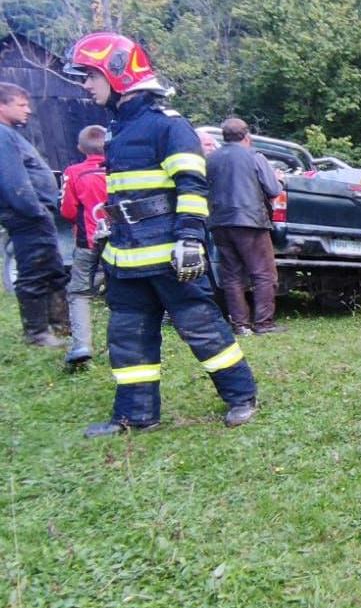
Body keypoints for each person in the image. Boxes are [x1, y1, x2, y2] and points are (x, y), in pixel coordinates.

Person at [66, 31, 257, 436]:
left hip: (170, 256)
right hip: (125, 259)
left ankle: (242, 396)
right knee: (128, 339)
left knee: (202, 329)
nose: (86, 84)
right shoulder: (116, 130)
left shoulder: (169, 127)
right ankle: (136, 415)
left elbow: (192, 185)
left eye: (91, 75)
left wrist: (190, 239)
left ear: (117, 71)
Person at [0, 82, 70, 347]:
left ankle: (60, 325)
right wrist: (35, 210)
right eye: (21, 104)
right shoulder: (2, 136)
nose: (28, 110)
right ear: (2, 106)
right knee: (34, 271)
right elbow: (12, 180)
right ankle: (37, 334)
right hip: (28, 217)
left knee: (52, 269)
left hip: (37, 216)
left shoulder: (11, 134)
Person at [206, 117, 284, 335]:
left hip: (219, 222)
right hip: (251, 222)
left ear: (224, 137)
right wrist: (280, 180)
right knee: (263, 273)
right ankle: (263, 324)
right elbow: (273, 189)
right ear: (247, 137)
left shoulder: (210, 159)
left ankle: (240, 325)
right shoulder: (255, 157)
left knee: (231, 275)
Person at [59, 124, 110, 366]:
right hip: (117, 240)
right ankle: (119, 346)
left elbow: (68, 210)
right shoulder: (117, 169)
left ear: (80, 147)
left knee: (79, 292)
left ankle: (81, 346)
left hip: (87, 240)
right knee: (119, 293)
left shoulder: (73, 172)